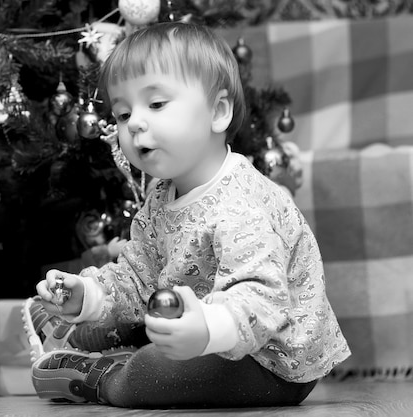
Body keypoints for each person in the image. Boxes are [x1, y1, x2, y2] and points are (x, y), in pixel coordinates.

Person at [23, 21, 350, 409]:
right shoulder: (163, 195)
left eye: (156, 104)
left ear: (218, 112)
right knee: (142, 326)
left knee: (152, 371)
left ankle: (103, 377)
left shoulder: (240, 203)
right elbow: (137, 275)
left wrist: (208, 329)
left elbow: (262, 300)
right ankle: (82, 334)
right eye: (123, 114)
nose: (136, 123)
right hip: (202, 337)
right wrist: (87, 295)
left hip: (268, 360)